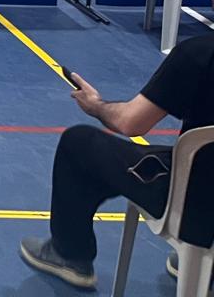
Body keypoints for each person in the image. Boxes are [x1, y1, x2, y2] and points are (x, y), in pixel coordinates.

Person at [19, 26, 214, 290]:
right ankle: (205, 266)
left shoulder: (198, 54)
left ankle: (69, 254)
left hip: (198, 210)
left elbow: (131, 122)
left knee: (79, 144)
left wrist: (95, 105)